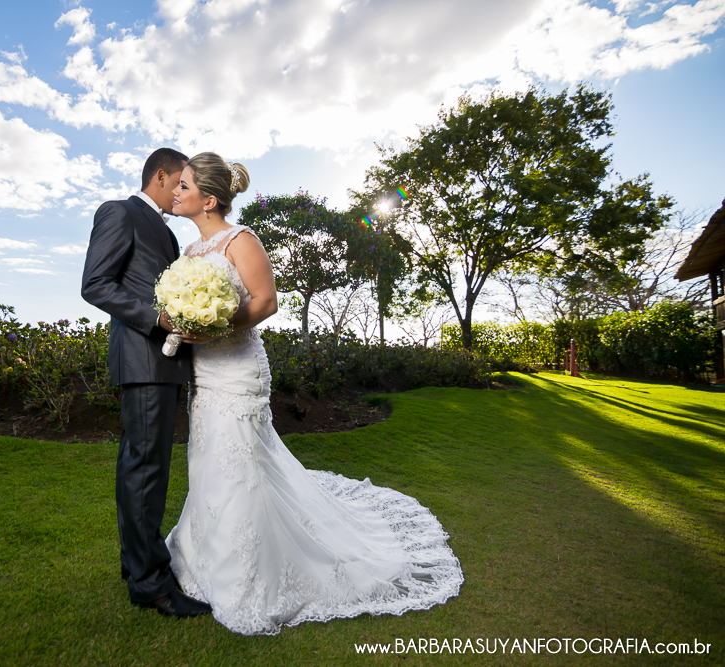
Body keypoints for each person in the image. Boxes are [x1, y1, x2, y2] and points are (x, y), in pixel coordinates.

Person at [165, 152, 464, 635]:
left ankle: (248, 577)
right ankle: (204, 559)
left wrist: (218, 324)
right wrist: (185, 327)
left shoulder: (242, 240)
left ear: (209, 198)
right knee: (209, 459)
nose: (175, 193)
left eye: (183, 187)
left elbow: (266, 301)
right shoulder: (190, 255)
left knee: (239, 462)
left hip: (238, 369)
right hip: (205, 373)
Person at [81, 148, 213, 618]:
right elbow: (96, 284)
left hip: (163, 361)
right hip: (144, 359)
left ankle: (136, 563)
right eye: (179, 182)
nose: (181, 191)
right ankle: (150, 584)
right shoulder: (121, 212)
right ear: (159, 175)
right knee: (146, 469)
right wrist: (157, 317)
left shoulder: (164, 230)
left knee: (141, 465)